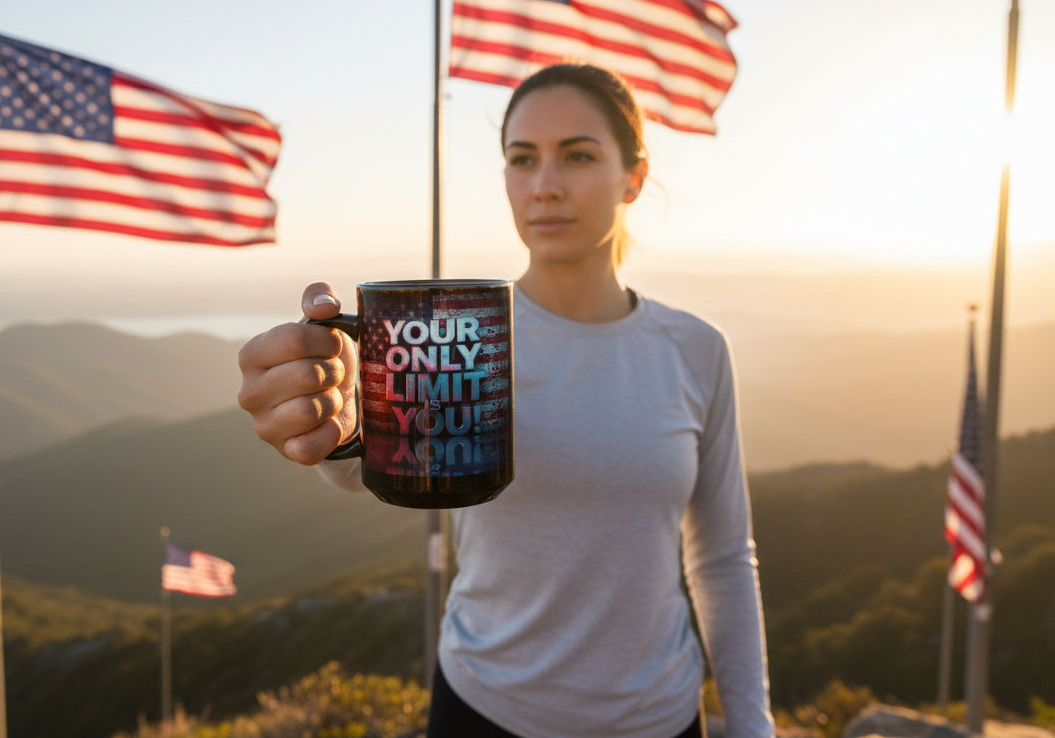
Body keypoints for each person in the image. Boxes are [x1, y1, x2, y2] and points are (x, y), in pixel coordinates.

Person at [237, 62, 774, 738]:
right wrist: (335, 415)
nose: (544, 186)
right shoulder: (460, 335)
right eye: (523, 159)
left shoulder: (694, 350)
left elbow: (722, 557)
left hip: (659, 718)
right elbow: (373, 465)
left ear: (632, 177)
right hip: (484, 710)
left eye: (577, 155)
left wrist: (753, 726)